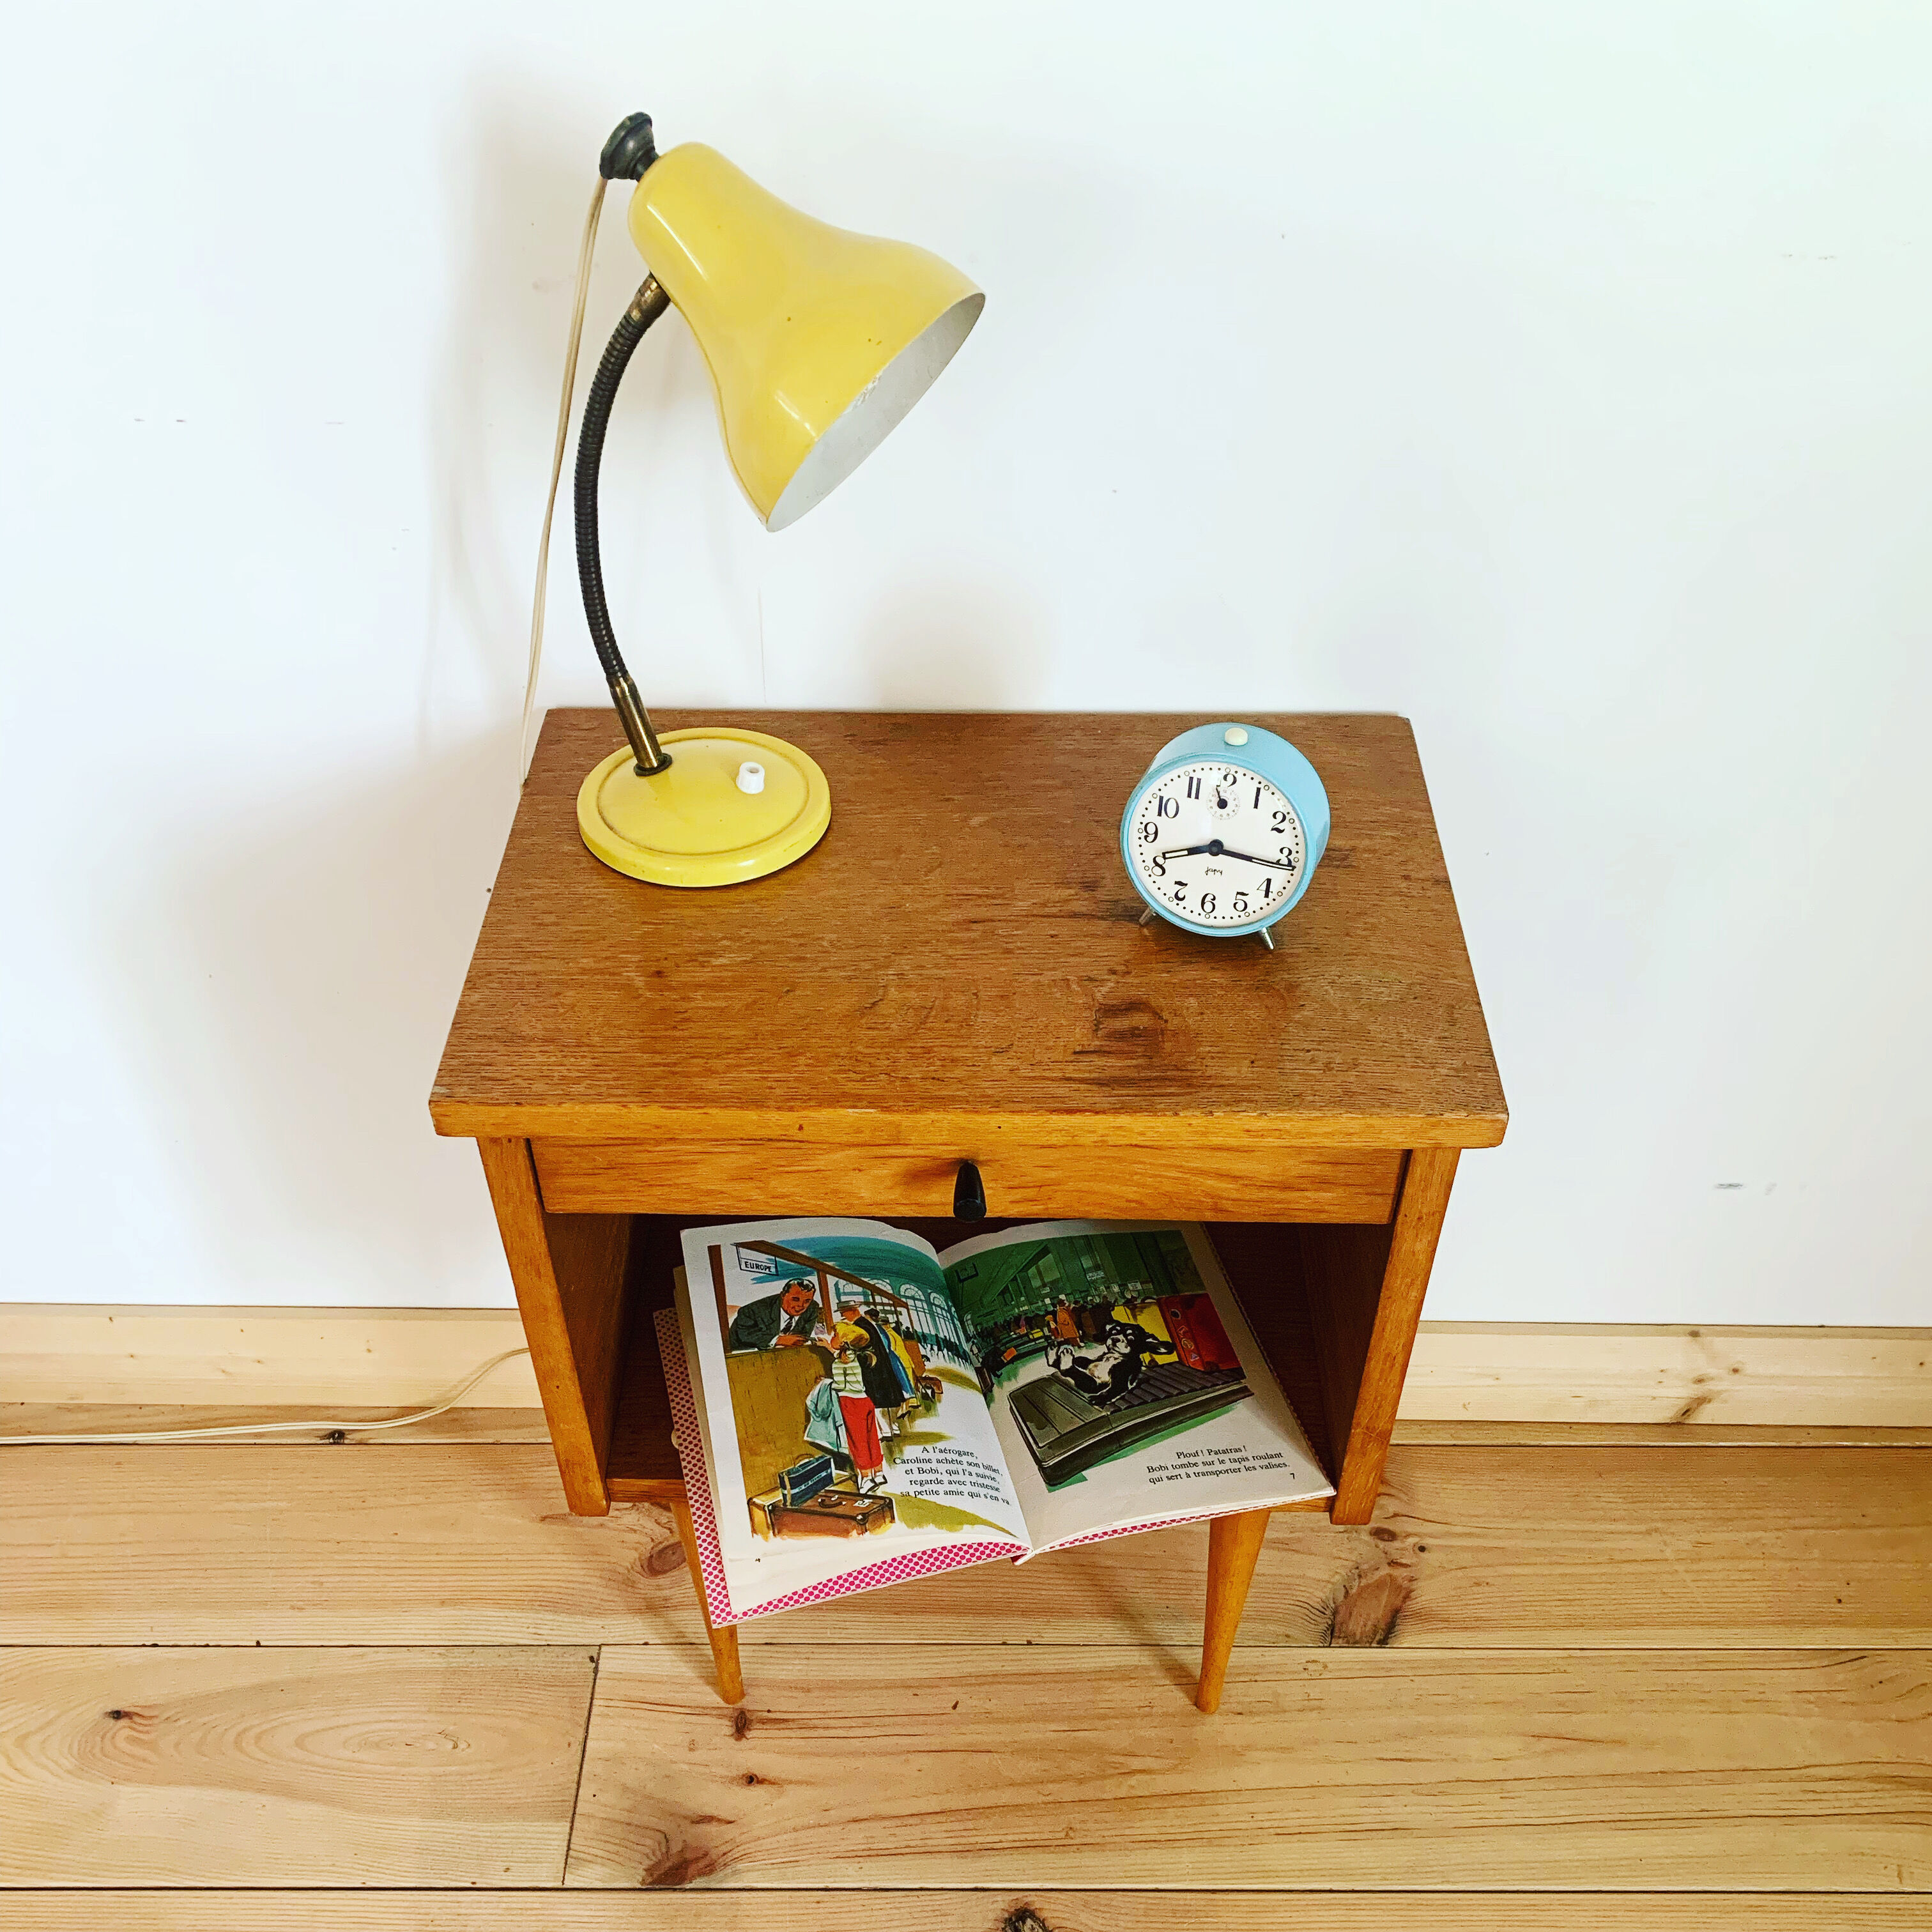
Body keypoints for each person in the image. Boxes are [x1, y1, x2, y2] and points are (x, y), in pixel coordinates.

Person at [727, 1277, 825, 1352]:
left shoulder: (812, 1308)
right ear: (783, 1295)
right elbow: (745, 1336)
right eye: (795, 1299)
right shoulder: (753, 1311)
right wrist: (779, 1340)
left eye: (807, 1301)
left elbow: (802, 1337)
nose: (801, 1306)